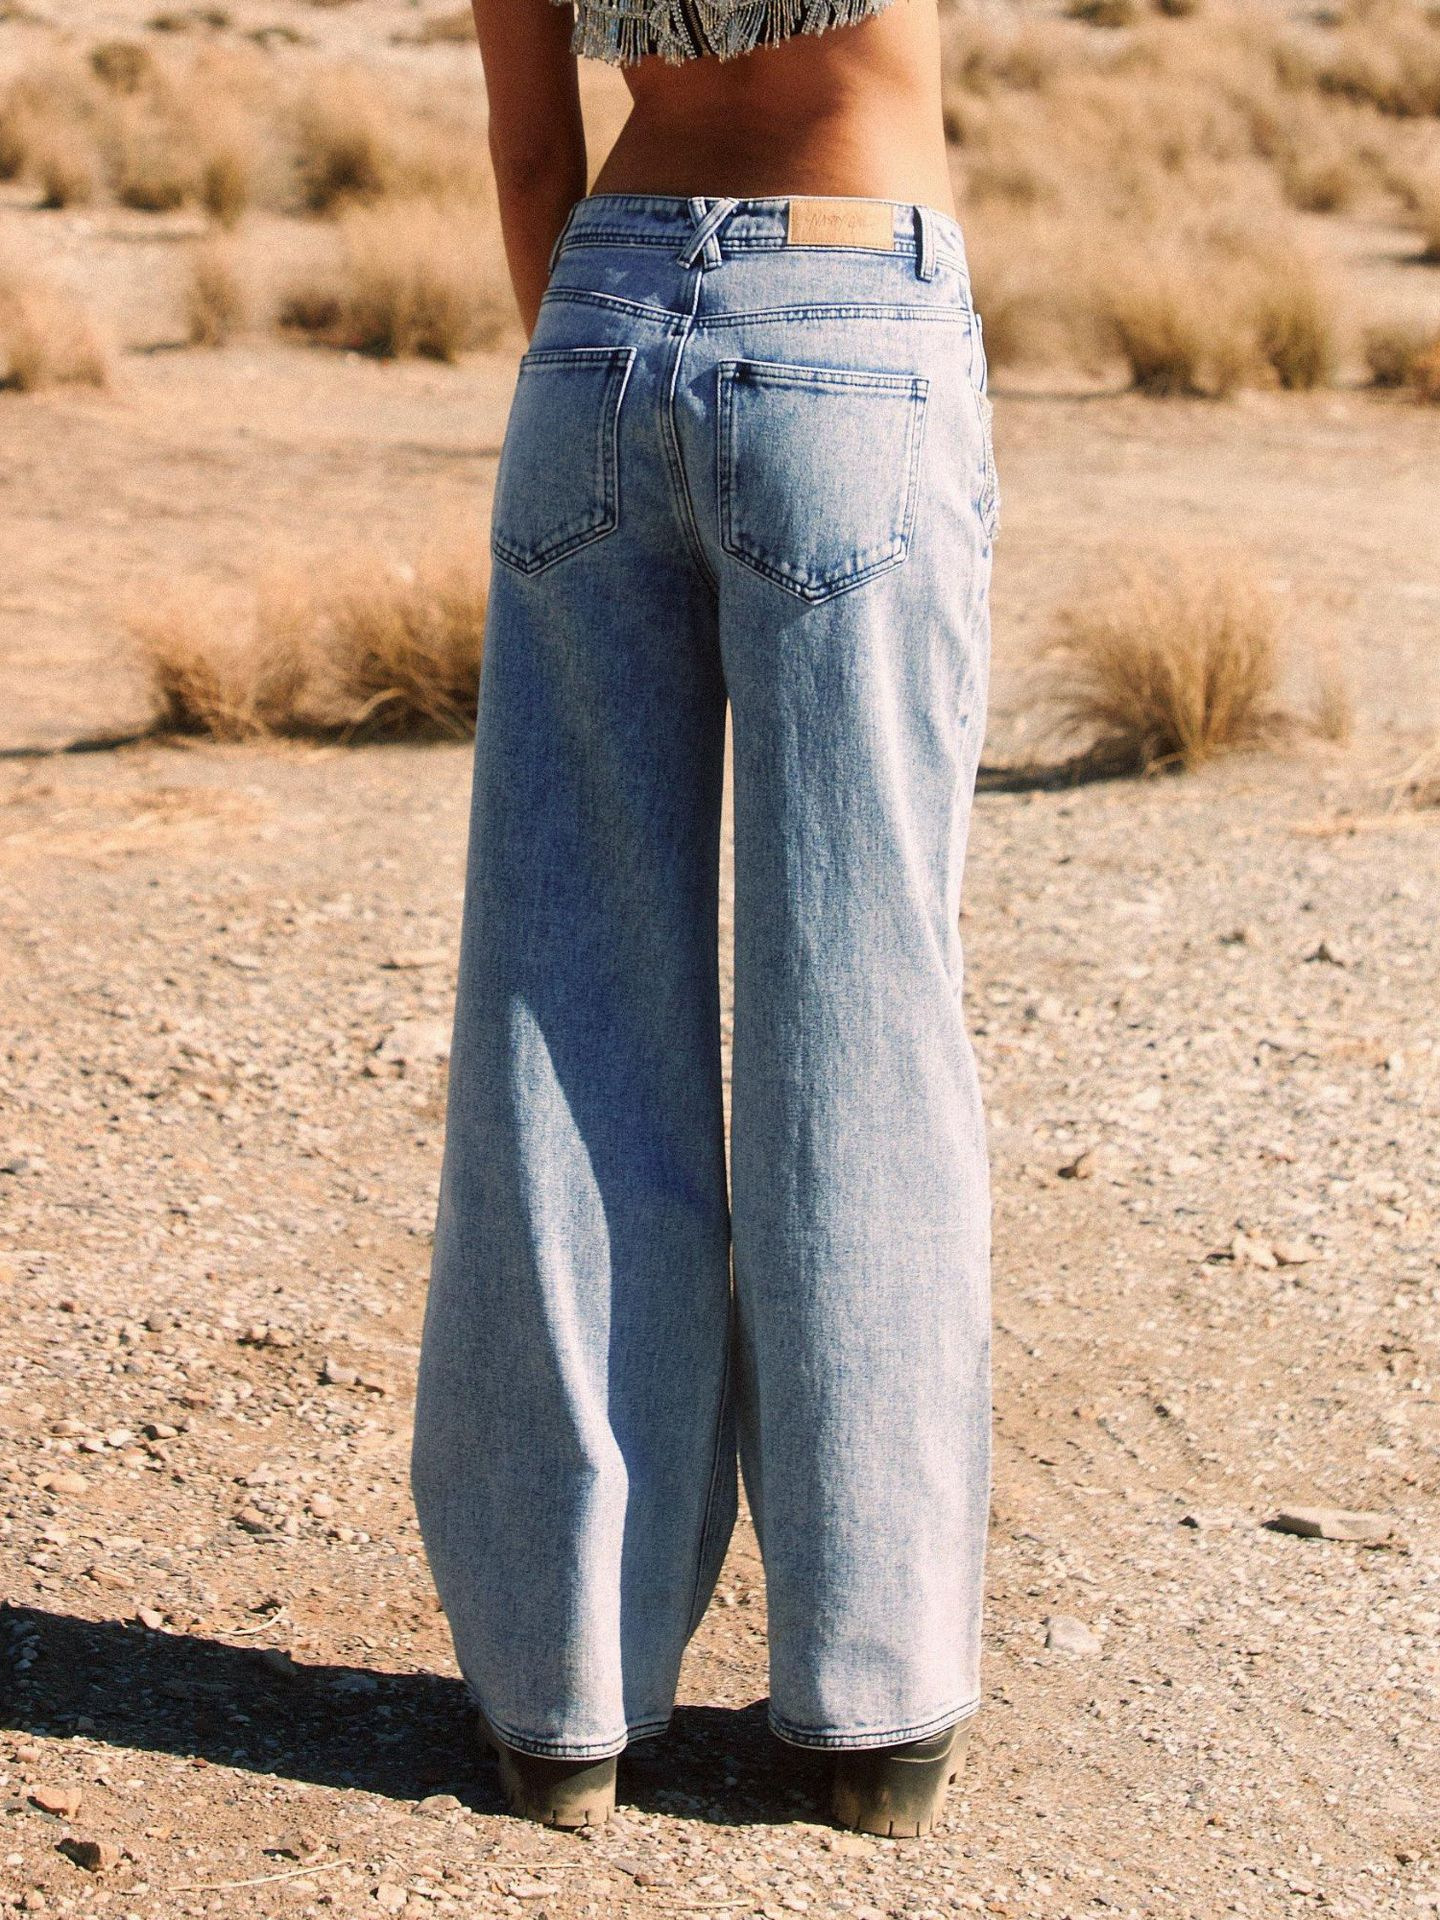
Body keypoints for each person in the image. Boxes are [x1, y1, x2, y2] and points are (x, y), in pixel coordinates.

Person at [410, 0, 998, 1841]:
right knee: (861, 1009)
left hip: (595, 325)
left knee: (564, 1001)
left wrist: (615, 368)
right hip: (852, 296)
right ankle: (870, 1713)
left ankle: (562, 1699)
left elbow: (530, 151)